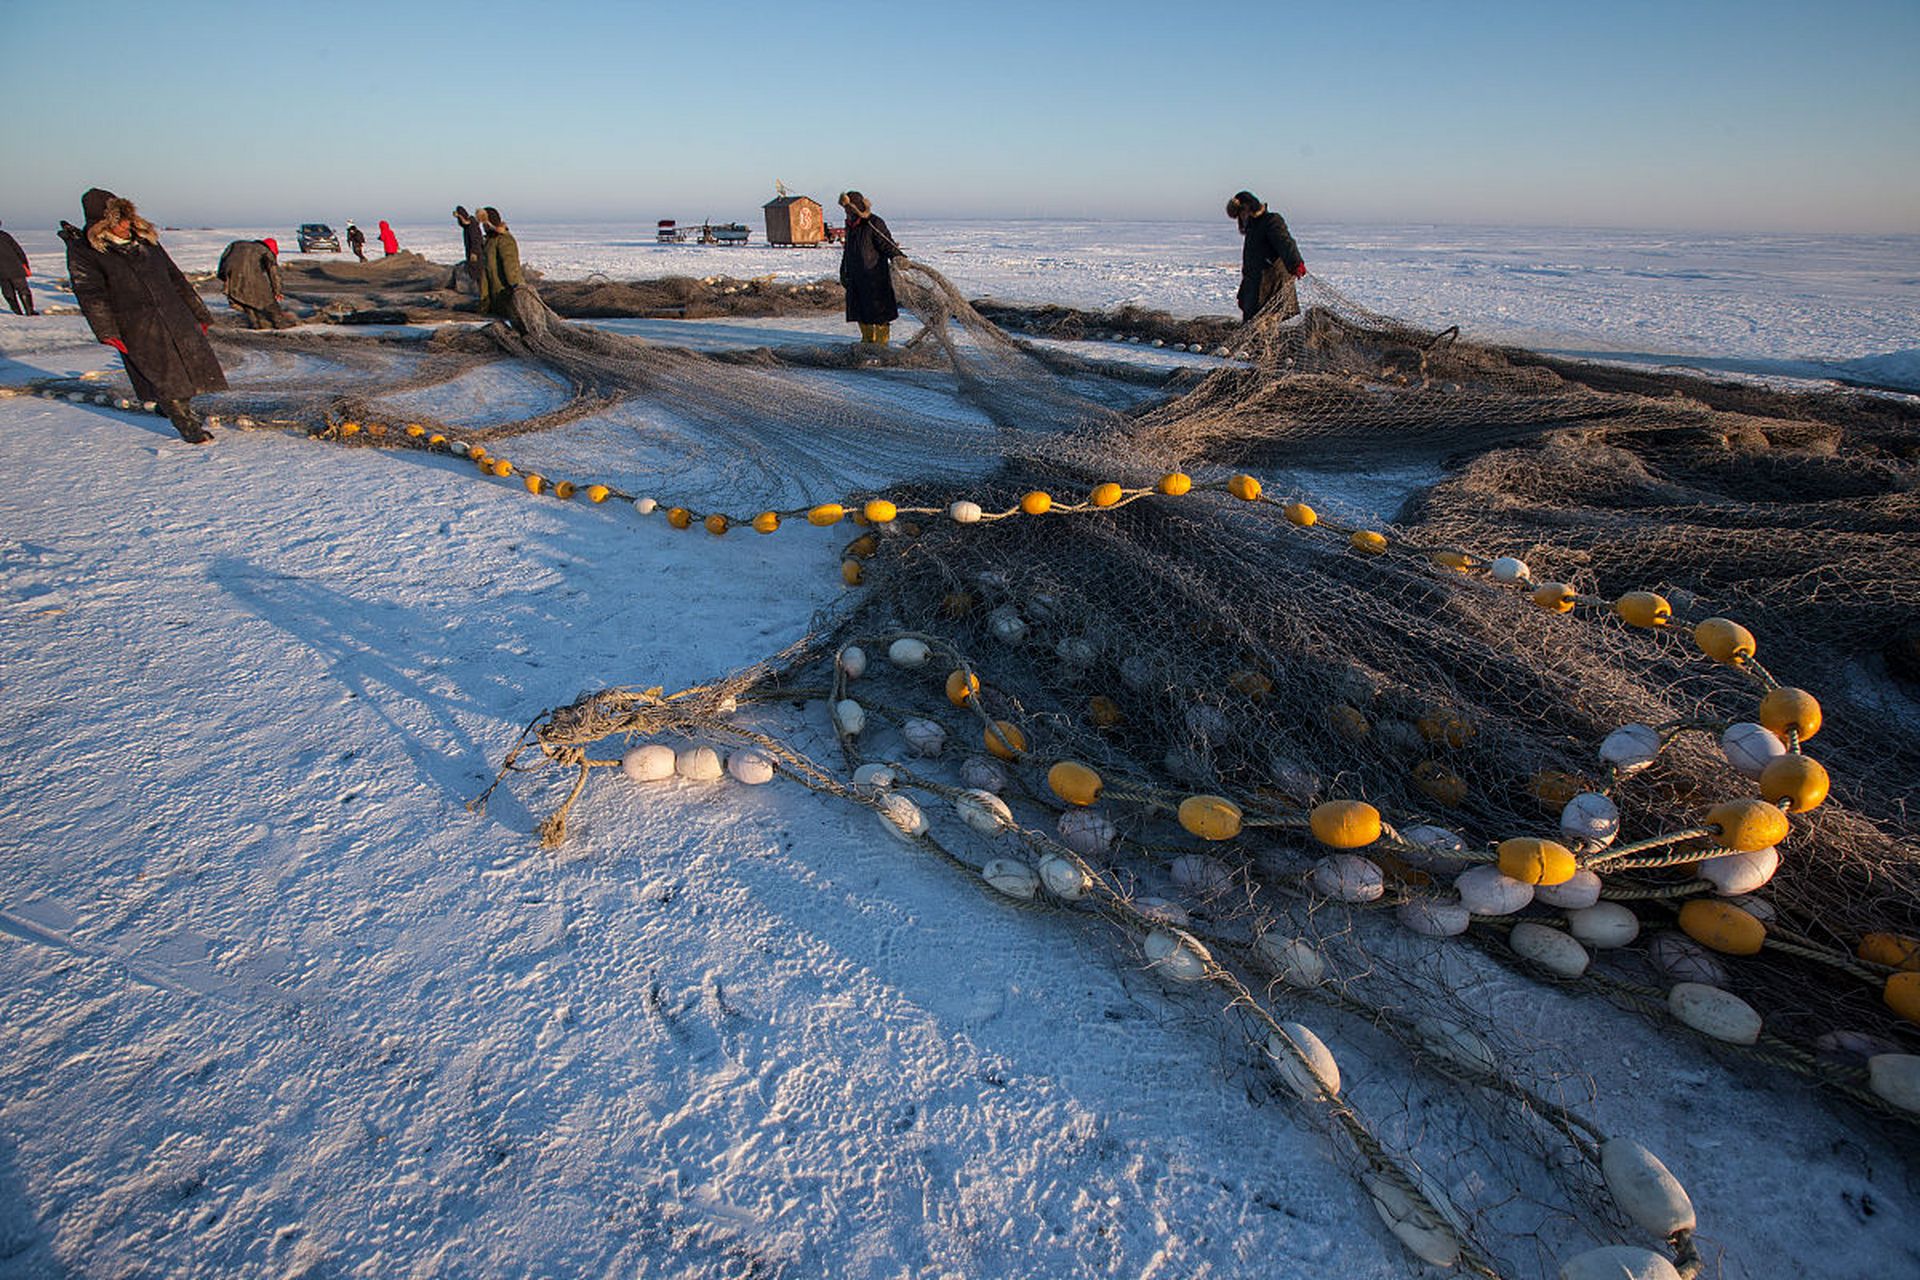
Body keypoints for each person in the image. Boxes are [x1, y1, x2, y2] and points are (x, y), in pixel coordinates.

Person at [63, 188, 227, 444]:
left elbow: (175, 278)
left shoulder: (145, 241)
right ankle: (187, 426)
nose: (126, 224)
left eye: (128, 218)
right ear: (104, 222)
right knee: (164, 374)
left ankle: (168, 405)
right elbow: (90, 293)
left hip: (175, 314)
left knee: (189, 369)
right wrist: (107, 331)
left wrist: (198, 313)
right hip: (137, 324)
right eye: (119, 220)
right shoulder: (86, 252)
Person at [1226, 190, 1306, 323]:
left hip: (1272, 283)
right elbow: (1250, 266)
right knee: (1254, 325)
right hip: (1256, 285)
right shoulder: (1252, 229)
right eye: (1240, 214)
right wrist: (1244, 293)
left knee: (1264, 323)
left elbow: (1285, 242)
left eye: (1243, 212)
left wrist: (1295, 263)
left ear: (1250, 208)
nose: (1242, 217)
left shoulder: (1271, 221)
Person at [837, 191, 904, 346]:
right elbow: (848, 250)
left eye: (848, 208)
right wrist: (843, 270)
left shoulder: (873, 222)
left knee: (879, 312)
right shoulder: (850, 225)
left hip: (875, 276)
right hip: (855, 276)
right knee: (859, 310)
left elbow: (886, 243)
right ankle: (867, 340)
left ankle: (881, 344)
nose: (846, 212)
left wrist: (898, 256)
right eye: (845, 209)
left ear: (856, 207)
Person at [216, 236, 295, 329]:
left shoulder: (235, 245)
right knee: (268, 302)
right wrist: (277, 291)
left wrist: (224, 278)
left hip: (231, 276)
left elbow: (223, 260)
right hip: (248, 275)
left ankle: (257, 324)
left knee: (246, 301)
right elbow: (274, 273)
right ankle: (280, 324)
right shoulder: (265, 251)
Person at [477, 206, 524, 328]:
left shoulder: (504, 240)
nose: (483, 227)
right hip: (495, 297)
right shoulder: (489, 241)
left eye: (485, 223)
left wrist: (517, 291)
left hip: (506, 296)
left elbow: (511, 267)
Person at [0, 221, 35, 316]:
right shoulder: (5, 235)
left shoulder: (5, 235)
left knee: (8, 293)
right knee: (22, 289)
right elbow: (18, 250)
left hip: (3, 272)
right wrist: (25, 264)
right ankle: (29, 311)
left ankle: (18, 313)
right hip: (15, 267)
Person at [454, 206, 485, 294]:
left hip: (476, 254)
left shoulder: (472, 225)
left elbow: (475, 240)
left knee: (478, 274)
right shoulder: (469, 226)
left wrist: (474, 252)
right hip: (473, 253)